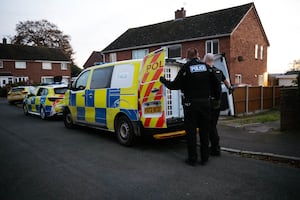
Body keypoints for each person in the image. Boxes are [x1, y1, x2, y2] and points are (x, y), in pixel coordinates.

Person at [160, 48, 221, 166]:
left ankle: (192, 158)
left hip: (190, 105)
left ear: (187, 56)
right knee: (205, 131)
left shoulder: (186, 68)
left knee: (191, 132)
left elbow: (174, 85)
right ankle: (205, 157)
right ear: (198, 55)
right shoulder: (207, 68)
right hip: (205, 104)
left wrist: (163, 80)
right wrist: (216, 99)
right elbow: (216, 84)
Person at [203, 53, 234, 156]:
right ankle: (215, 148)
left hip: (208, 103)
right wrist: (230, 88)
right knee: (213, 126)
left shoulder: (205, 71)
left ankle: (211, 149)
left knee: (208, 127)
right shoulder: (219, 71)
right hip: (217, 102)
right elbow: (227, 83)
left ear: (205, 60)